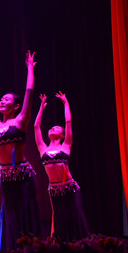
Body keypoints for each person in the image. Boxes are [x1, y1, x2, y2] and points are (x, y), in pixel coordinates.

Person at [0, 51, 40, 251]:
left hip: (23, 176)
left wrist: (30, 68)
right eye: (2, 99)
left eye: (6, 99)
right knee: (10, 219)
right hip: (6, 177)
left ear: (16, 106)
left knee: (26, 217)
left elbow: (29, 91)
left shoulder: (20, 121)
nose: (2, 101)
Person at [33, 92, 90, 241]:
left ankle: (83, 245)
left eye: (57, 128)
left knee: (76, 218)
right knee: (60, 222)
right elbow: (36, 126)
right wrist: (41, 108)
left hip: (70, 188)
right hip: (55, 191)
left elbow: (68, 122)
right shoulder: (43, 149)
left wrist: (66, 103)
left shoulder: (66, 146)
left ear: (63, 135)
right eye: (51, 128)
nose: (53, 128)